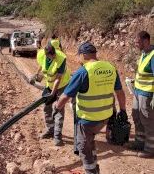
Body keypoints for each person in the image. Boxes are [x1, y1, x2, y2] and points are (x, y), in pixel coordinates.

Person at [54, 41, 127, 174]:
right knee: (90, 141)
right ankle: (94, 165)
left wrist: (57, 107)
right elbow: (120, 92)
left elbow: (65, 97)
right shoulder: (110, 67)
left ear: (83, 55)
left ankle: (91, 171)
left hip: (88, 119)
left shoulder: (83, 72)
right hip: (105, 117)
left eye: (79, 56)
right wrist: (123, 110)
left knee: (83, 148)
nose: (78, 59)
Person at [32, 42, 71, 146]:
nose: (53, 57)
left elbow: (58, 79)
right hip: (49, 85)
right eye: (51, 56)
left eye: (54, 55)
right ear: (46, 55)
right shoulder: (41, 55)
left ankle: (57, 136)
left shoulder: (61, 59)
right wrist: (36, 74)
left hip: (62, 85)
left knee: (59, 109)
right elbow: (41, 65)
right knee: (47, 107)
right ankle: (50, 130)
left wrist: (53, 93)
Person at [129, 31, 154, 158]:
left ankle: (150, 149)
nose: (136, 44)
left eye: (138, 42)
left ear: (146, 41)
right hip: (138, 91)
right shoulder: (144, 53)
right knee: (136, 116)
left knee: (148, 120)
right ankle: (139, 142)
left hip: (147, 93)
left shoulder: (153, 55)